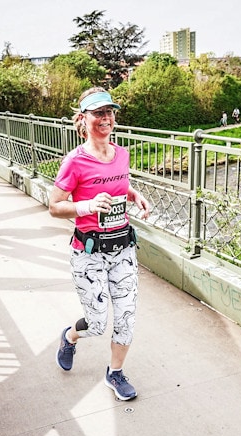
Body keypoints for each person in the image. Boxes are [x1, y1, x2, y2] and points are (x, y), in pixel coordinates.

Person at [49, 87, 151, 401]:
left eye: (109, 112)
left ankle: (115, 374)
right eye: (98, 113)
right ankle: (69, 336)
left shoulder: (121, 154)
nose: (105, 118)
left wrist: (134, 194)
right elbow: (54, 205)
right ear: (83, 119)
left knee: (126, 318)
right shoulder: (75, 161)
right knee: (96, 323)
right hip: (88, 252)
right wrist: (88, 206)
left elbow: (120, 183)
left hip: (122, 248)